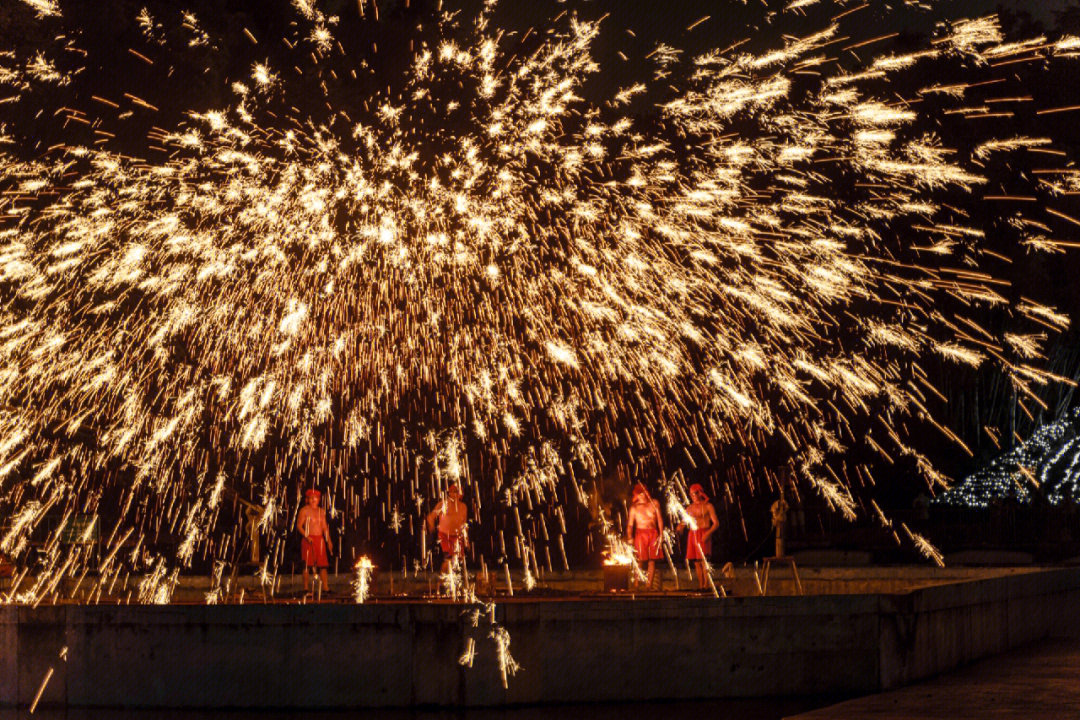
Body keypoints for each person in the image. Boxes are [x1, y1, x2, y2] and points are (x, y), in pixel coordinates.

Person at [679, 483, 719, 590]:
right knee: (696, 562)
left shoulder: (708, 506)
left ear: (700, 493)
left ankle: (707, 584)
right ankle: (701, 584)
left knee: (704, 561)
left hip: (703, 532)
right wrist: (680, 527)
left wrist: (708, 533)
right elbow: (683, 522)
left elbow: (716, 523)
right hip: (693, 534)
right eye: (691, 494)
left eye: (695, 494)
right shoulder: (689, 508)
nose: (694, 496)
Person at [626, 482, 664, 590]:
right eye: (639, 493)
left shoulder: (654, 503)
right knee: (640, 560)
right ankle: (636, 584)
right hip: (640, 533)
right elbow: (630, 524)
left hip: (653, 533)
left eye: (643, 493)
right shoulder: (634, 508)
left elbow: (660, 519)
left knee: (652, 560)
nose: (642, 495)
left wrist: (661, 534)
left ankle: (649, 585)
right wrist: (629, 537)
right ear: (636, 495)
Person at [426, 483, 469, 575]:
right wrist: (431, 527)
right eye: (452, 492)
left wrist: (466, 540)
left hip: (457, 537)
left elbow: (464, 525)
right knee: (448, 559)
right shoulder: (443, 504)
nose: (455, 494)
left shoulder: (463, 507)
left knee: (458, 560)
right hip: (445, 535)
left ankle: (453, 582)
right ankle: (443, 580)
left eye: (457, 492)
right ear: (449, 493)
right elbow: (430, 517)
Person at [297, 488, 332, 596]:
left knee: (323, 565)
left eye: (316, 498)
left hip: (320, 539)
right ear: (308, 499)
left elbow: (325, 527)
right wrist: (307, 536)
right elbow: (299, 526)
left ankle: (326, 588)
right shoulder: (304, 510)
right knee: (307, 565)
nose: (314, 500)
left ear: (319, 499)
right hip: (309, 540)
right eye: (311, 498)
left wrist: (329, 541)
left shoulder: (321, 511)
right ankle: (306, 588)